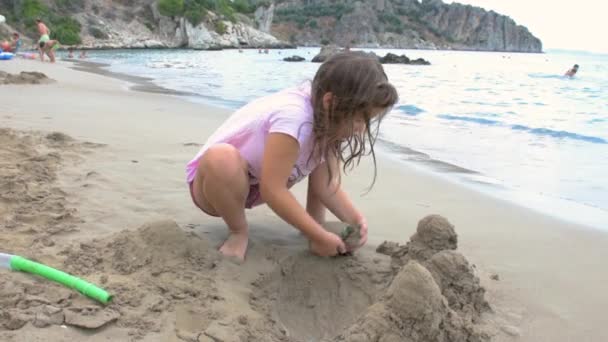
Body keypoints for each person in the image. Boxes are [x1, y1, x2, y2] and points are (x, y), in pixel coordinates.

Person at [185, 52, 399, 260]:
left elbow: (324, 185)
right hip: (214, 189)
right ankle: (238, 232)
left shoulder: (328, 115)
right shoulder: (293, 118)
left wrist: (354, 220)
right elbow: (272, 190)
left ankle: (314, 225)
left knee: (322, 154)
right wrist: (319, 235)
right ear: (330, 101)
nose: (361, 130)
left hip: (255, 185)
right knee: (222, 158)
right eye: (360, 120)